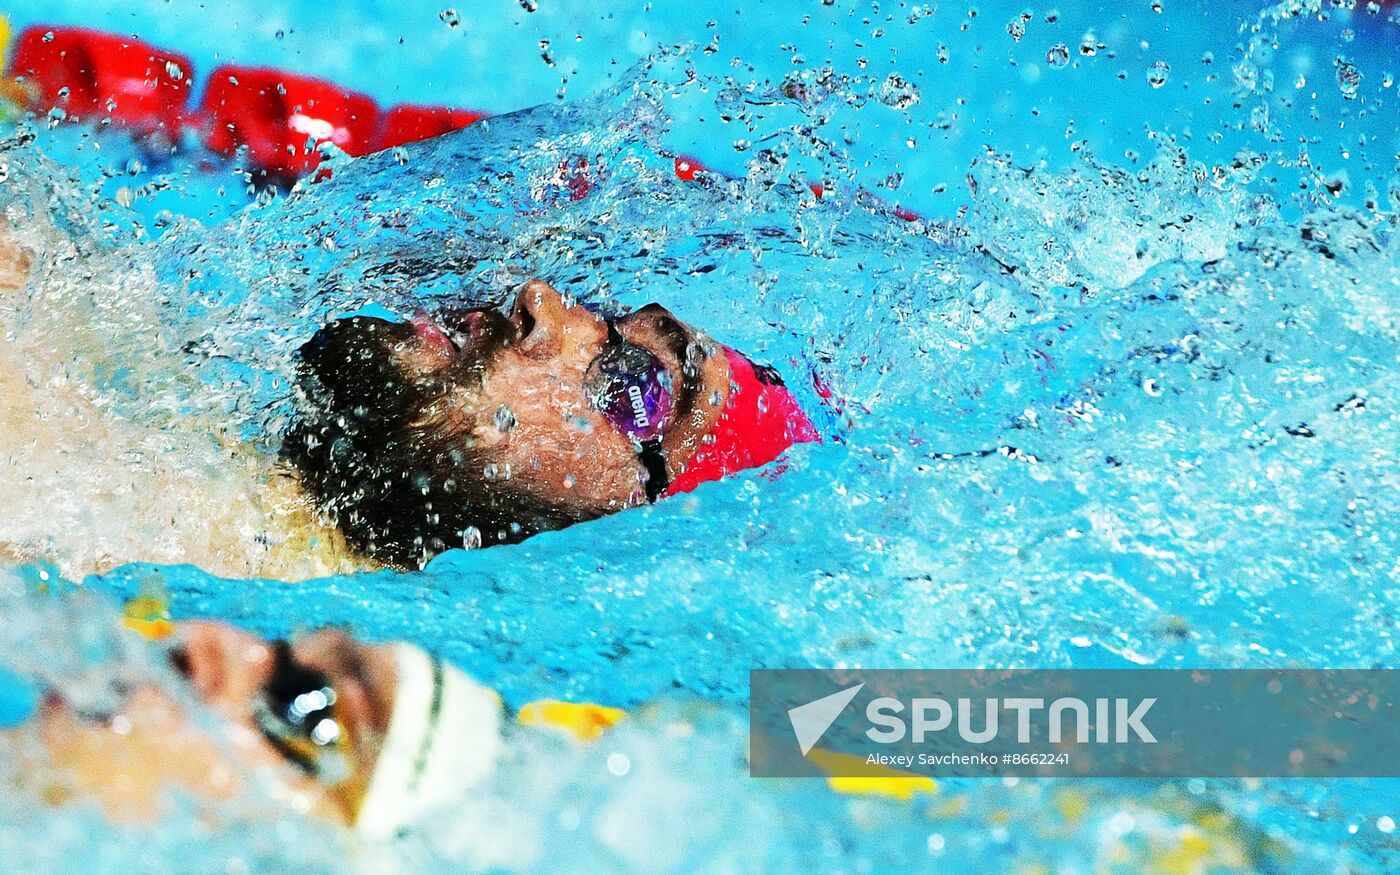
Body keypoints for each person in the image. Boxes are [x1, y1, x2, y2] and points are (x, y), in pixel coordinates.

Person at [0, 222, 818, 576]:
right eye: (605, 314)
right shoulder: (148, 449)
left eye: (633, 390)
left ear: (618, 537)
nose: (541, 300)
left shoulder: (118, 548)